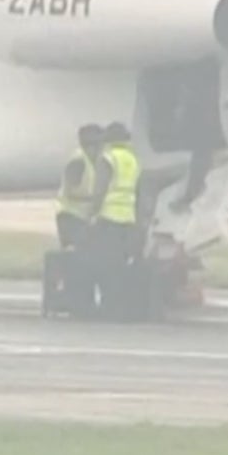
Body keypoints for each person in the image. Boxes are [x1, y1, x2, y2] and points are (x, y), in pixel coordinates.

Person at [94, 121, 144, 316]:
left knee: (106, 264)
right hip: (128, 218)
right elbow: (138, 191)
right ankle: (123, 303)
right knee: (123, 264)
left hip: (109, 218)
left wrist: (92, 214)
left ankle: (109, 304)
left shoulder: (108, 158)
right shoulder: (133, 159)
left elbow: (100, 189)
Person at [55, 125, 105, 251]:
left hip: (80, 217)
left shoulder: (90, 161)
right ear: (91, 146)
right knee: (76, 253)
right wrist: (94, 198)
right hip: (70, 216)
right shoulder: (78, 162)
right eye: (100, 146)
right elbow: (70, 192)